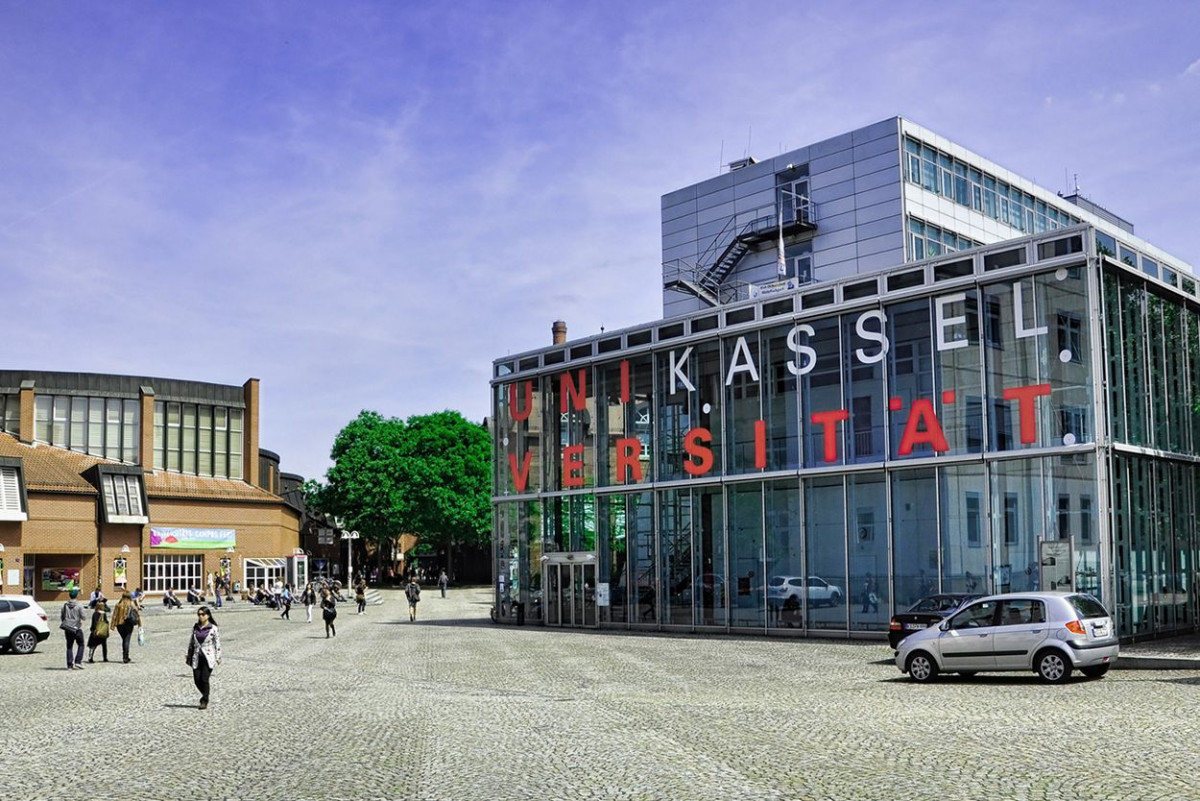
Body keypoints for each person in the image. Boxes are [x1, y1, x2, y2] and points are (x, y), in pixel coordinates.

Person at [185, 606, 222, 710]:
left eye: (203, 614)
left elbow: (217, 643)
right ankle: (205, 694)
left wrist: (218, 657)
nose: (200, 616)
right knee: (197, 680)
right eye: (199, 614)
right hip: (196, 656)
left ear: (208, 615)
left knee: (204, 679)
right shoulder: (196, 627)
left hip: (208, 656)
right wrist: (188, 653)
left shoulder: (213, 628)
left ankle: (204, 700)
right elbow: (191, 641)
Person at [111, 591, 141, 663]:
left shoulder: (118, 604)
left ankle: (125, 656)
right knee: (126, 640)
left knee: (124, 640)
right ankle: (125, 657)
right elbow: (137, 614)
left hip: (119, 625)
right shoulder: (131, 604)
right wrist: (140, 624)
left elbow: (114, 615)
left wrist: (112, 625)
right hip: (128, 624)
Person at [60, 588, 87, 670]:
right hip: (76, 627)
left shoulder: (65, 605)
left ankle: (69, 665)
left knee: (69, 646)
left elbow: (62, 616)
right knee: (81, 644)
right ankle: (78, 661)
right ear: (76, 595)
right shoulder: (79, 605)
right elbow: (84, 617)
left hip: (68, 628)